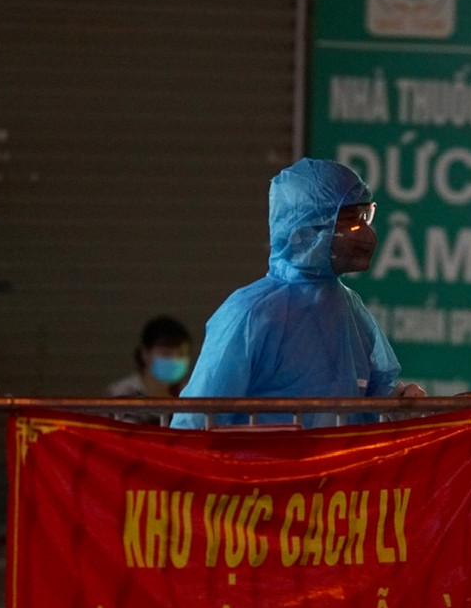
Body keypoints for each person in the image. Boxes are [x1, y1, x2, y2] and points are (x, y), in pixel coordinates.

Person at [171, 158, 425, 430]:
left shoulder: (350, 309)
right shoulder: (252, 313)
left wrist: (400, 404)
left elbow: (374, 392)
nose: (366, 234)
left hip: (337, 458)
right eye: (349, 221)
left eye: (365, 217)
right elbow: (198, 420)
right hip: (265, 459)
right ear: (307, 230)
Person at [107, 315, 194, 424]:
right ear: (145, 353)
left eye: (181, 354)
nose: (174, 360)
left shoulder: (189, 393)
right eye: (165, 354)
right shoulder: (123, 393)